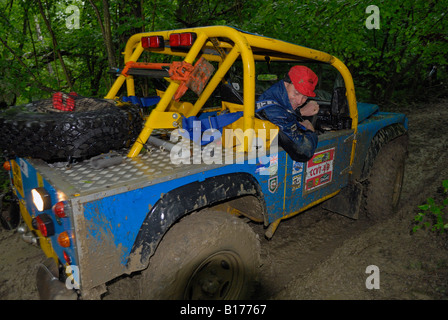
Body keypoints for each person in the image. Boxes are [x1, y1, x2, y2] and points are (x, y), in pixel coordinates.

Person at [255, 65, 319, 162]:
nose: (299, 101)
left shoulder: (272, 97)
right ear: (286, 83)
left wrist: (299, 112)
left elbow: (283, 112)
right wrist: (310, 131)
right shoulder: (274, 112)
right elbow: (303, 151)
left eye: (305, 97)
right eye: (296, 93)